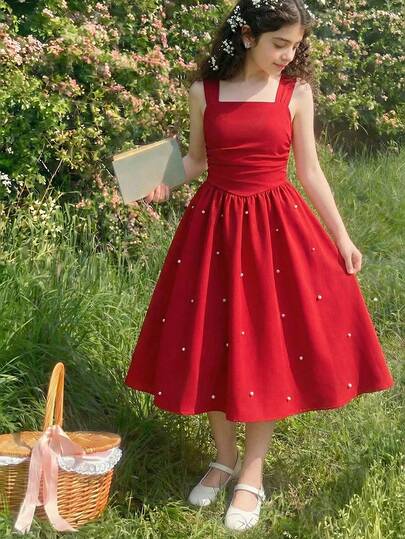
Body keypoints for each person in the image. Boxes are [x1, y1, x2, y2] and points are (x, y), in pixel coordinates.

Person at [125, 0, 394, 532]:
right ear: (248, 36)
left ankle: (252, 472)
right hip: (214, 230)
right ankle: (223, 459)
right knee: (214, 340)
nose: (288, 55)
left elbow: (309, 171)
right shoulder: (204, 91)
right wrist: (159, 181)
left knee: (264, 344)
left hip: (275, 231)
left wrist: (342, 236)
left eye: (295, 46)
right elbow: (197, 160)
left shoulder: (297, 93)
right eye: (279, 44)